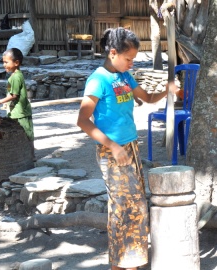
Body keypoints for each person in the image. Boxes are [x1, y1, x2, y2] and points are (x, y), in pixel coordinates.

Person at [77, 27, 176, 270]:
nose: (132, 63)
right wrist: (112, 146)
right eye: (128, 58)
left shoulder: (124, 77)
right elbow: (82, 121)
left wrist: (167, 90)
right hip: (112, 151)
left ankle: (130, 262)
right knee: (124, 208)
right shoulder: (98, 79)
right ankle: (122, 264)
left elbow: (149, 98)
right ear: (113, 53)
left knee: (137, 205)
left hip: (130, 146)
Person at [0, 47, 34, 159]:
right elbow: (11, 94)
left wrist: (0, 101)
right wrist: (6, 103)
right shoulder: (15, 76)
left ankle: (30, 156)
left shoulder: (15, 77)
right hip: (17, 111)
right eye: (3, 62)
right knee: (22, 133)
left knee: (25, 133)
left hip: (20, 112)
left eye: (6, 62)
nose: (4, 65)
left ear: (16, 62)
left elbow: (14, 95)